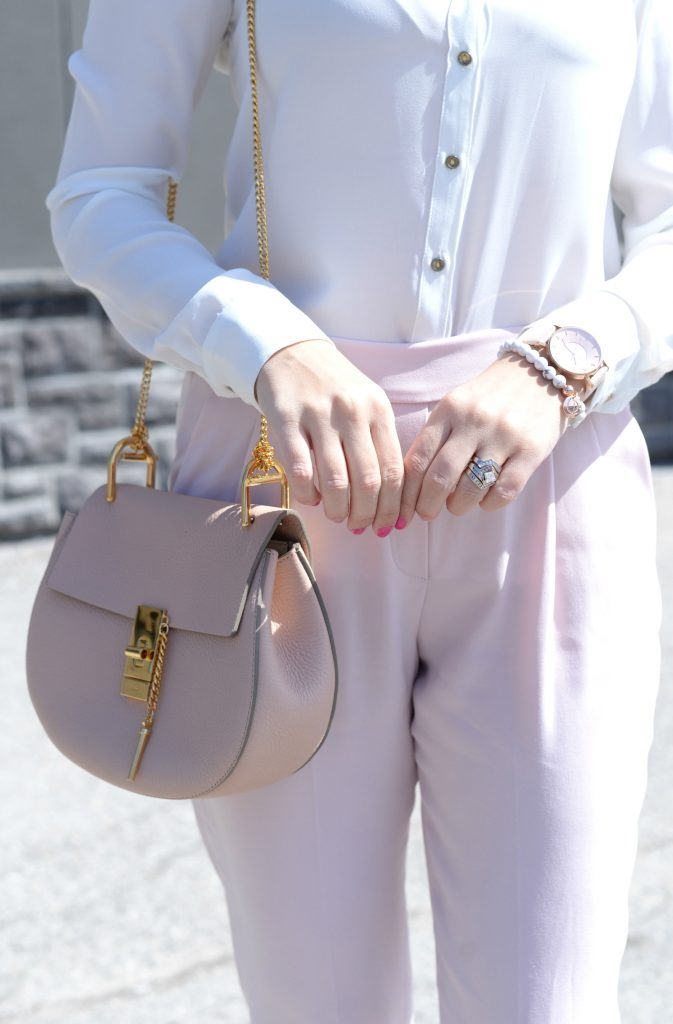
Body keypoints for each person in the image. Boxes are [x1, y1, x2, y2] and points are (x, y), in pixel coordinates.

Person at [46, 1, 673, 1021]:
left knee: (549, 1003)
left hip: (549, 489)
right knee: (314, 999)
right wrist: (265, 343)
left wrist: (571, 358)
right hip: (275, 492)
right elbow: (98, 194)